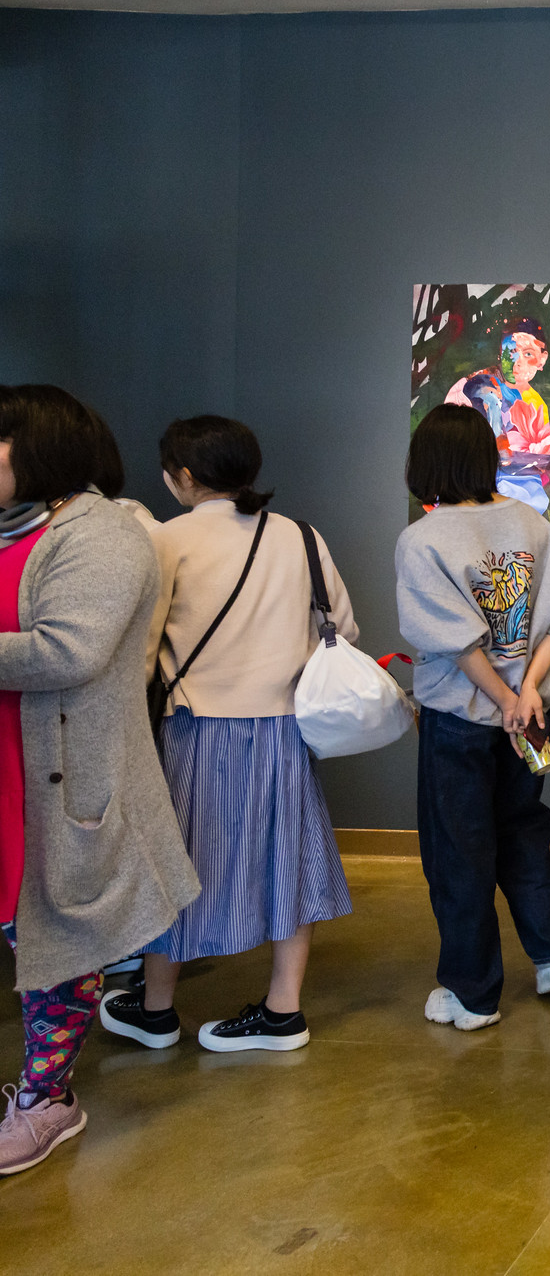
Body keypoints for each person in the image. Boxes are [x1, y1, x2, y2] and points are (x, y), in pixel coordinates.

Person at [97, 417, 358, 1055]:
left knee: (179, 864)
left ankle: (156, 1010)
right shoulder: (300, 536)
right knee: (287, 863)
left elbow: (141, 648)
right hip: (286, 731)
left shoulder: (165, 540)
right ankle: (282, 1012)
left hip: (197, 730)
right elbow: (343, 630)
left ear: (183, 476)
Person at [0, 385, 200, 1174]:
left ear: (39, 448)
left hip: (56, 779)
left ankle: (47, 1099)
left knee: (58, 939)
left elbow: (66, 651)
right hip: (13, 766)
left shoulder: (104, 534)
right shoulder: (18, 527)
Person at [397, 404, 550, 1032]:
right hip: (533, 714)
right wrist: (528, 691)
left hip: (461, 717)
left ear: (425, 462)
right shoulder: (532, 525)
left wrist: (505, 698)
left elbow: (455, 642)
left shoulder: (422, 539)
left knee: (459, 849)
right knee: (523, 827)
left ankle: (472, 992)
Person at [444, 316, 550, 515]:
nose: (517, 362)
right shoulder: (482, 387)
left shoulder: (535, 403)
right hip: (470, 487)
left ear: (542, 359)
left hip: (511, 488)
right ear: (500, 354)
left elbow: (546, 454)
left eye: (528, 353)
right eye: (511, 352)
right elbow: (502, 458)